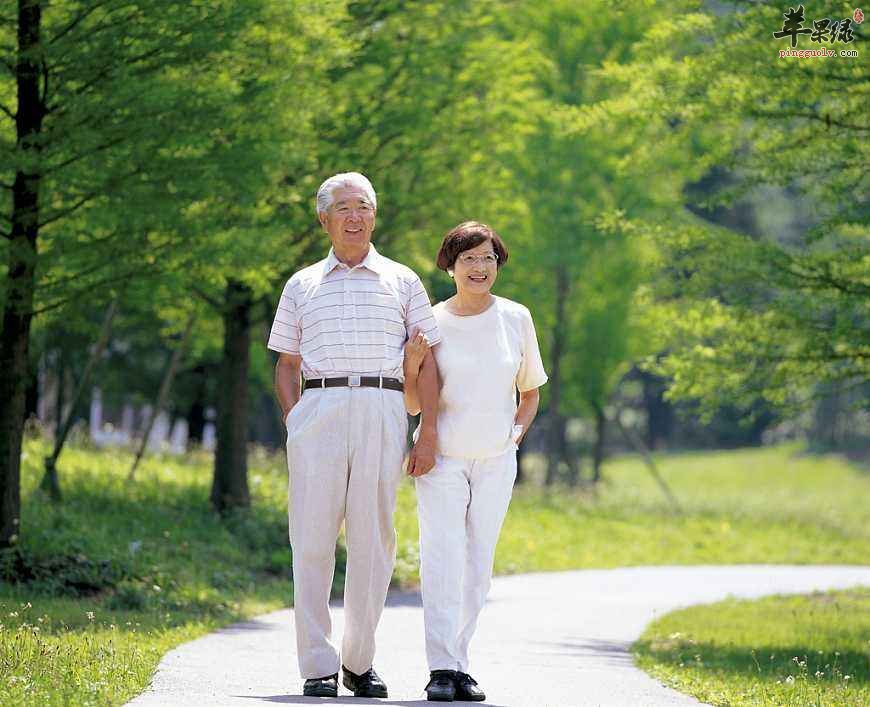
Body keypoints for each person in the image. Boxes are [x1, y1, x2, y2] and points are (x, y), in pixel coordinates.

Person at [268, 172, 441, 699]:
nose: (354, 216)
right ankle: (317, 665)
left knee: (374, 541)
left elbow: (428, 360)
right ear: (324, 218)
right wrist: (295, 417)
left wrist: (427, 430)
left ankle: (359, 663)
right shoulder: (301, 284)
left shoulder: (403, 279)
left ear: (374, 214)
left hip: (383, 405)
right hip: (318, 406)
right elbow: (286, 363)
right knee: (312, 540)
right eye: (342, 207)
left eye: (363, 206)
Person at [404, 221, 548, 702]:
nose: (480, 267)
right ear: (450, 266)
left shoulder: (516, 318)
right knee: (443, 558)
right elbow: (411, 402)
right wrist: (410, 363)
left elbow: (530, 391)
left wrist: (516, 434)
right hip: (442, 458)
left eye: (488, 258)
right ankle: (440, 667)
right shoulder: (431, 322)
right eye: (468, 259)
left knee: (478, 562)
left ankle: (461, 663)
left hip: (495, 458)